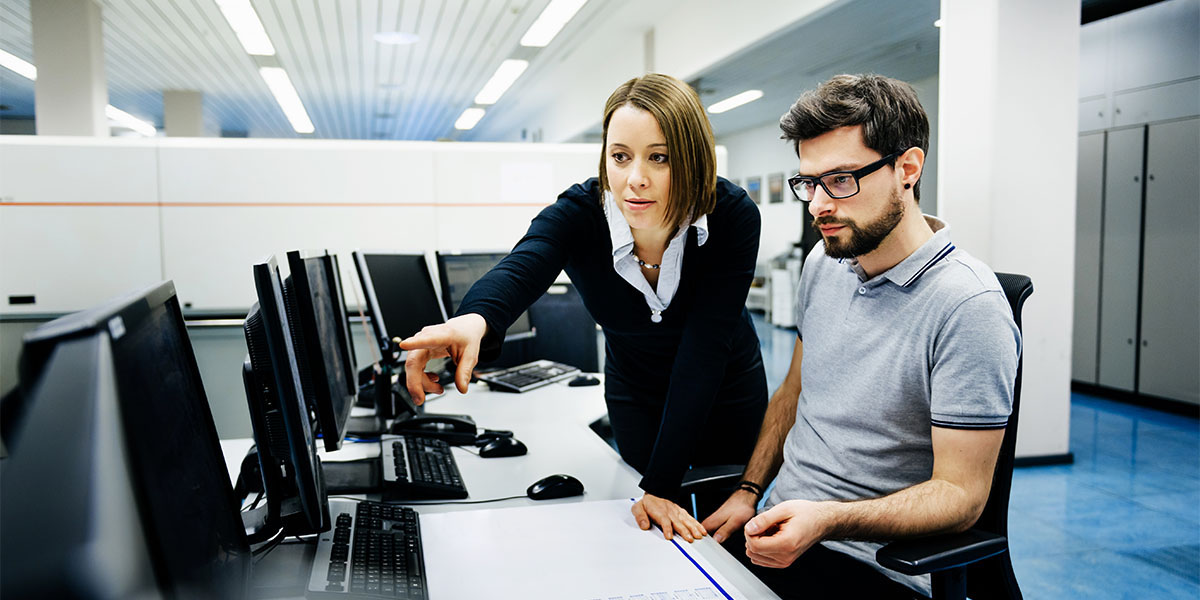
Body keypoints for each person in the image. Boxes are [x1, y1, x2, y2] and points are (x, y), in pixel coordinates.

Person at [400, 73, 768, 542]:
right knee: (651, 532)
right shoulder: (579, 213)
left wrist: (663, 484)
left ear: (692, 158)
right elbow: (523, 265)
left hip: (723, 389)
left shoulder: (731, 215)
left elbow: (705, 350)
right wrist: (474, 320)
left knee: (724, 533)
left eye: (660, 158)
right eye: (620, 157)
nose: (634, 179)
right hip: (635, 390)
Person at [700, 74, 1021, 598]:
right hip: (782, 529)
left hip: (875, 565)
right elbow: (795, 391)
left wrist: (827, 520)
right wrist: (748, 490)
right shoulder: (823, 264)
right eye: (809, 182)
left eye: (842, 179)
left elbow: (962, 498)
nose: (817, 205)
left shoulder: (969, 307)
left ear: (907, 170)